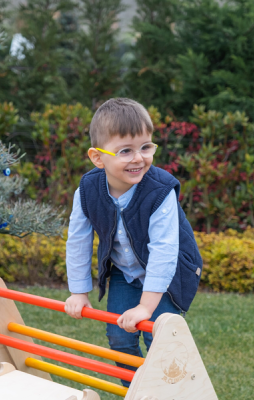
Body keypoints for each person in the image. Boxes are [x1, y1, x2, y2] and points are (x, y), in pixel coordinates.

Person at [64, 98, 202, 387]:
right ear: (98, 158)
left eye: (145, 147)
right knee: (119, 336)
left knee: (159, 337)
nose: (138, 158)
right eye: (125, 151)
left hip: (166, 274)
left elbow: (164, 250)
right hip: (125, 273)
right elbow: (78, 240)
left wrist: (145, 307)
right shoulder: (87, 190)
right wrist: (79, 292)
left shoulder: (161, 190)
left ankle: (172, 391)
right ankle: (136, 390)